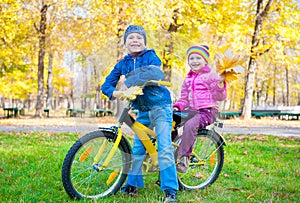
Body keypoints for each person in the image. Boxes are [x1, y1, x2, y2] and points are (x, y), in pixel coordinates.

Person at [101, 25, 178, 203]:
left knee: (164, 146)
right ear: (125, 43)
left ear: (144, 42)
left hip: (160, 106)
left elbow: (155, 71)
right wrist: (114, 92)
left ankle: (170, 190)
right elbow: (107, 83)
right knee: (137, 148)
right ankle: (132, 184)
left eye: (139, 38)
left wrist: (129, 81)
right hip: (142, 109)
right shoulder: (123, 63)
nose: (135, 41)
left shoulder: (151, 56)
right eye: (131, 38)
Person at [173, 45, 227, 173]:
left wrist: (220, 85)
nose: (195, 61)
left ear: (205, 61)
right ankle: (170, 148)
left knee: (190, 125)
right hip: (192, 111)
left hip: (207, 111)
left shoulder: (211, 76)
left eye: (198, 58)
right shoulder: (188, 79)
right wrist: (177, 106)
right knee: (170, 118)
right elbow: (184, 99)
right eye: (192, 58)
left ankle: (184, 157)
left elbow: (220, 96)